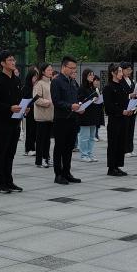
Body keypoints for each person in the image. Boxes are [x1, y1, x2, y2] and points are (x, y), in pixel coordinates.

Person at [0, 51, 27, 193]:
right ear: (3, 63)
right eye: (10, 60)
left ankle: (9, 181)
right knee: (1, 152)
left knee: (11, 153)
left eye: (13, 59)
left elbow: (19, 99)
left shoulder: (16, 80)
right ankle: (0, 183)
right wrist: (9, 108)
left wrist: (24, 108)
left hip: (15, 121)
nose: (13, 62)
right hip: (3, 121)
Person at [51, 56, 82, 184]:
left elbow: (75, 98)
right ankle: (58, 174)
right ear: (64, 67)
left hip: (73, 118)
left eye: (75, 68)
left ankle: (67, 172)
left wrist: (79, 107)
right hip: (61, 119)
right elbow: (56, 101)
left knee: (69, 147)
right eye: (71, 68)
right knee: (59, 147)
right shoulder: (56, 81)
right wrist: (70, 106)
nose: (73, 71)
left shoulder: (73, 82)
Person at [103, 63, 134, 176]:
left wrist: (130, 107)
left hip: (124, 118)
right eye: (119, 71)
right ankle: (111, 168)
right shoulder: (108, 87)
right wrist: (121, 111)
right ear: (113, 73)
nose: (121, 73)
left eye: (121, 71)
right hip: (114, 119)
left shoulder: (122, 85)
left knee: (121, 143)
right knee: (113, 143)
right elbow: (108, 106)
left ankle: (118, 165)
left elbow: (125, 100)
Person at [31, 62, 54, 169]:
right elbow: (36, 98)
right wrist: (48, 102)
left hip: (50, 115)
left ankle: (46, 158)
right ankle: (39, 161)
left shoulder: (51, 83)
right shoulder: (39, 83)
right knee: (41, 139)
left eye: (51, 69)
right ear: (43, 71)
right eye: (48, 70)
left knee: (47, 139)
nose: (51, 71)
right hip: (41, 116)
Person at [77, 69, 98, 162]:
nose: (92, 77)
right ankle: (84, 155)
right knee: (84, 137)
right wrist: (90, 100)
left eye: (93, 75)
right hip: (85, 115)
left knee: (91, 137)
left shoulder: (93, 88)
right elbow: (80, 100)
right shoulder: (82, 88)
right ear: (85, 76)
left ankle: (90, 153)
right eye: (90, 75)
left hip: (93, 114)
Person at [122, 63, 137, 157]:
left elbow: (133, 92)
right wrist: (129, 95)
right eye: (127, 69)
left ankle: (130, 149)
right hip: (125, 108)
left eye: (130, 70)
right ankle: (125, 150)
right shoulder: (120, 81)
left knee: (131, 129)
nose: (129, 71)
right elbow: (121, 95)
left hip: (133, 107)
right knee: (125, 130)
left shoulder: (131, 80)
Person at [22, 66, 39, 156]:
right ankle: (28, 149)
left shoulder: (37, 86)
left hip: (36, 110)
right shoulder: (26, 87)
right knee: (30, 130)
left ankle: (34, 148)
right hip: (29, 111)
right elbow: (24, 99)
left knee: (35, 130)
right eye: (34, 77)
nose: (36, 79)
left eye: (37, 77)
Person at [93, 75, 104, 141]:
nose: (97, 82)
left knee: (98, 122)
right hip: (94, 108)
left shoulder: (98, 89)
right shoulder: (91, 89)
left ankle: (96, 135)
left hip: (99, 107)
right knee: (95, 122)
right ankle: (94, 135)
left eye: (98, 81)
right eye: (96, 80)